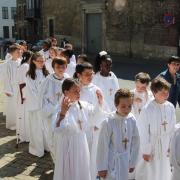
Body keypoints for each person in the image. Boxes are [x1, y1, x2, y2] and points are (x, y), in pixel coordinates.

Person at [53, 78, 104, 180]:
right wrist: (63, 113)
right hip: (67, 143)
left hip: (81, 141)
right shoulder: (59, 107)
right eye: (75, 91)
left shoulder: (82, 105)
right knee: (68, 168)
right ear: (66, 92)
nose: (78, 93)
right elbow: (57, 129)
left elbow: (95, 114)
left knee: (82, 165)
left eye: (79, 91)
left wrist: (99, 102)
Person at [135, 77, 176, 180]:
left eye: (167, 91)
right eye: (162, 91)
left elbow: (172, 128)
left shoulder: (170, 107)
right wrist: (146, 150)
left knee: (164, 170)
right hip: (152, 145)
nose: (166, 94)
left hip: (166, 143)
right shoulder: (147, 109)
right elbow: (142, 131)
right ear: (154, 92)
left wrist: (172, 145)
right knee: (150, 171)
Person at [97, 88, 140, 180]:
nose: (127, 109)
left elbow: (136, 142)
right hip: (111, 162)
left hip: (125, 160)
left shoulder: (131, 119)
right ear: (116, 104)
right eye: (123, 106)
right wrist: (102, 167)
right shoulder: (108, 122)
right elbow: (102, 145)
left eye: (129, 106)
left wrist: (132, 161)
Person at [74, 62, 106, 180]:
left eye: (91, 74)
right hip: (78, 129)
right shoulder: (75, 89)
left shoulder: (96, 89)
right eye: (87, 74)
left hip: (93, 129)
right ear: (79, 74)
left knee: (92, 156)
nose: (90, 76)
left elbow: (103, 108)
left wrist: (98, 123)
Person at [39, 57, 69, 159]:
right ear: (53, 67)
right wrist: (54, 108)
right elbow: (42, 99)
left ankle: (63, 159)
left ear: (66, 67)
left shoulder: (68, 79)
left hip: (65, 113)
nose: (60, 69)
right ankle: (56, 160)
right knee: (52, 138)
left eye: (63, 67)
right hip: (51, 113)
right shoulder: (47, 81)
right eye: (58, 67)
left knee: (64, 137)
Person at [25, 53, 49, 157]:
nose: (42, 63)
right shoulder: (30, 74)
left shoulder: (46, 73)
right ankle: (37, 149)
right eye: (39, 61)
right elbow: (32, 91)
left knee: (45, 127)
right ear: (34, 61)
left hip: (45, 104)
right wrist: (41, 102)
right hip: (35, 106)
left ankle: (46, 146)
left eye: (43, 61)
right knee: (36, 127)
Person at [2, 45, 22, 130]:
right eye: (17, 52)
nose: (19, 53)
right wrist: (7, 90)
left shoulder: (21, 61)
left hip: (20, 87)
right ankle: (12, 123)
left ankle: (20, 123)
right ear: (12, 53)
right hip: (12, 88)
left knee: (20, 106)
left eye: (20, 51)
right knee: (12, 106)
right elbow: (6, 78)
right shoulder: (7, 64)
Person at [16, 51, 33, 143]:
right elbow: (25, 81)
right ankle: (26, 135)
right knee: (25, 113)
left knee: (23, 112)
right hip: (24, 91)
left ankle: (24, 133)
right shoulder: (26, 66)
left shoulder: (22, 65)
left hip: (22, 90)